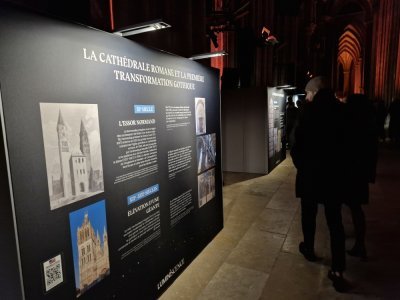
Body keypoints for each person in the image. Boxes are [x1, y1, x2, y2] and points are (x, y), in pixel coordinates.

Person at [290, 76, 349, 292]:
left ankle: (309, 248)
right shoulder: (342, 112)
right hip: (334, 177)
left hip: (311, 175)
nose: (306, 96)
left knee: (309, 213)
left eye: (308, 93)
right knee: (335, 222)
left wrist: (303, 167)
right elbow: (348, 147)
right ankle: (338, 268)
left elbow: (296, 145)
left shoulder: (308, 112)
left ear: (315, 92)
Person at [343, 94, 378, 260]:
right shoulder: (368, 124)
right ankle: (359, 242)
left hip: (352, 172)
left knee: (355, 208)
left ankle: (360, 244)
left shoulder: (354, 124)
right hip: (360, 174)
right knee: (355, 207)